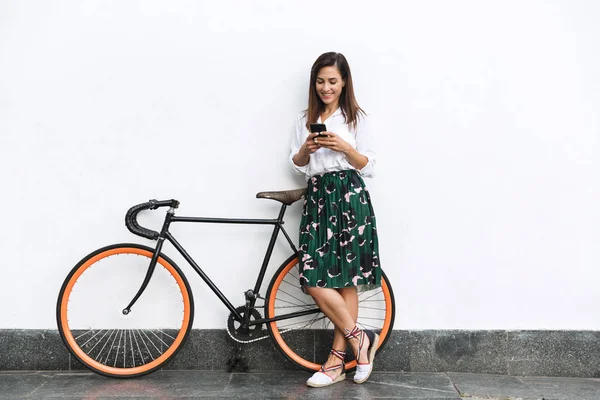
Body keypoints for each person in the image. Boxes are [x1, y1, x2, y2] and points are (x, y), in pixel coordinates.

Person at [289, 52, 382, 387]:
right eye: (320, 81)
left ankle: (335, 361)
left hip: (348, 197)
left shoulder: (356, 119)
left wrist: (343, 147)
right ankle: (361, 340)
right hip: (317, 198)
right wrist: (307, 150)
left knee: (346, 280)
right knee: (313, 278)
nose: (326, 87)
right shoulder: (304, 119)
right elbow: (297, 165)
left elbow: (368, 165)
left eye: (332, 81)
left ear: (344, 83)